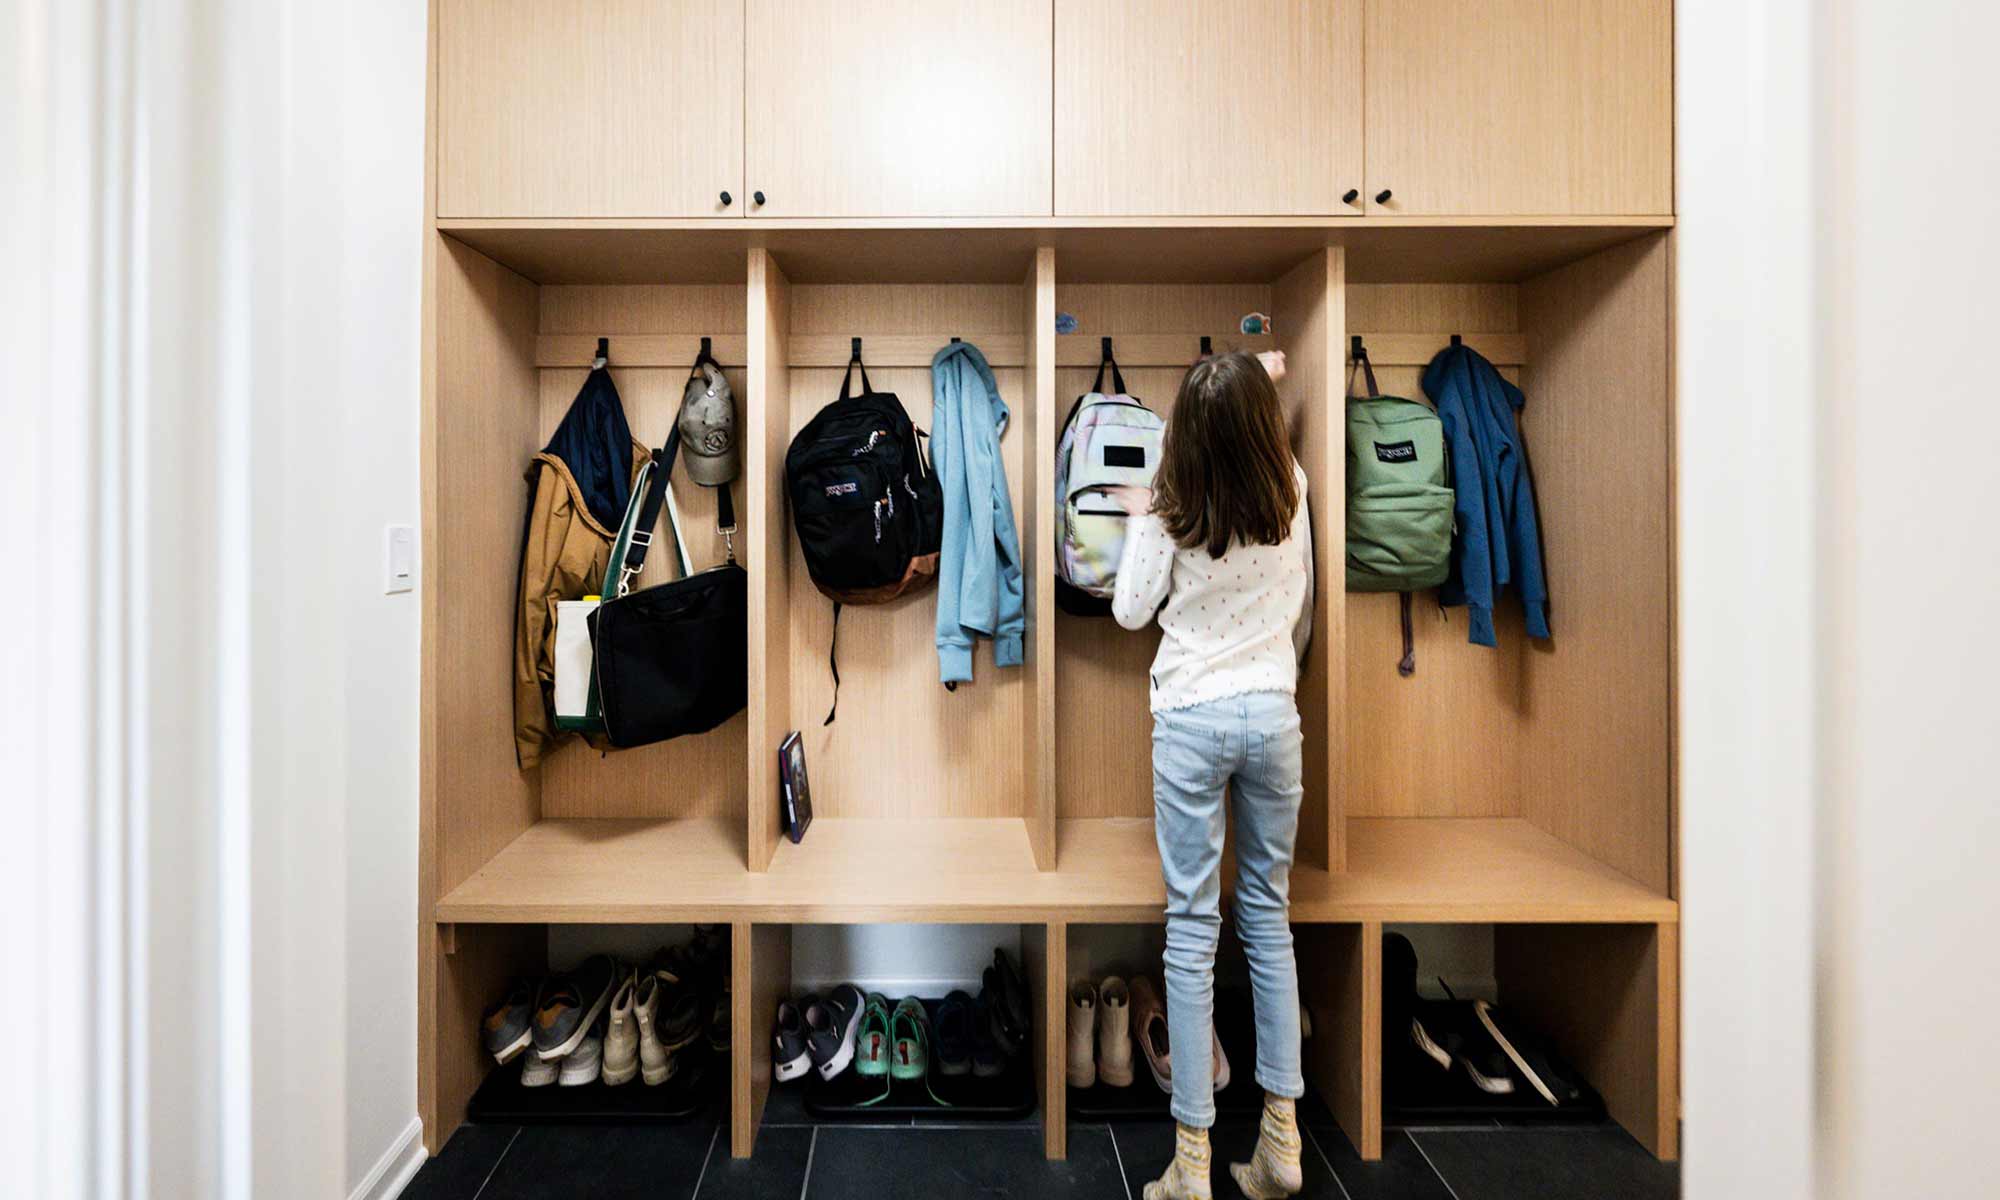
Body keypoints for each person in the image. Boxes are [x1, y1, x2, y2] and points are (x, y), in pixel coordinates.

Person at [1110, 350, 1311, 1200]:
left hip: (1191, 717)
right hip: (1273, 715)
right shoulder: (1291, 484)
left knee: (1192, 934)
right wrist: (1249, 379)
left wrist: (1140, 516)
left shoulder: (1171, 501)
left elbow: (1127, 611)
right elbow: (1296, 602)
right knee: (1268, 924)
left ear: (1182, 438)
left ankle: (1192, 1163)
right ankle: (1281, 1146)